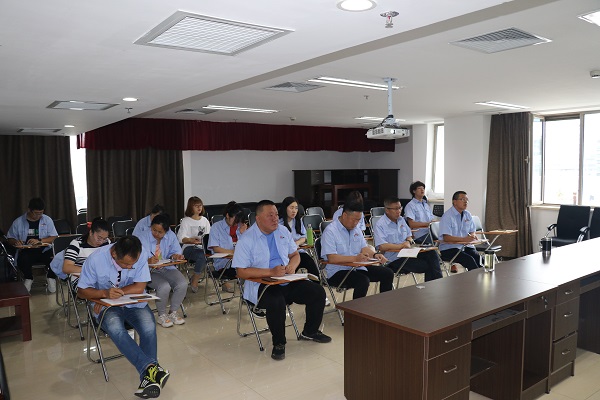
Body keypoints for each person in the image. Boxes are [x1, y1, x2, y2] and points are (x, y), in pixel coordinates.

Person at [233, 200, 331, 361]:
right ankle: (279, 343)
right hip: (261, 285)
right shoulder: (247, 239)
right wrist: (271, 272)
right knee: (276, 301)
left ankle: (310, 331)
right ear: (258, 218)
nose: (275, 219)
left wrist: (292, 266)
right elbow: (241, 271)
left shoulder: (283, 231)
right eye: (270, 215)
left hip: (286, 280)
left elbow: (295, 255)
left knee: (317, 292)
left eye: (276, 215)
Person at [77, 236, 170, 399]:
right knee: (116, 329)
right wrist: (103, 294)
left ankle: (148, 379)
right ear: (114, 254)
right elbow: (81, 291)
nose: (130, 267)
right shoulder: (95, 260)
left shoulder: (140, 254)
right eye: (126, 264)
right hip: (105, 305)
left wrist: (118, 293)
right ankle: (152, 368)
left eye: (133, 264)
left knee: (149, 327)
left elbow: (139, 287)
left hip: (133, 303)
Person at [321, 201, 393, 299]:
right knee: (363, 281)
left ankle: (386, 303)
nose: (356, 223)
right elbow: (332, 258)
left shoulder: (356, 229)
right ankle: (356, 308)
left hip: (357, 268)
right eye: (353, 220)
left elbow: (364, 248)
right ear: (344, 215)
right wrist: (355, 258)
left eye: (358, 220)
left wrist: (375, 255)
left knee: (387, 273)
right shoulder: (330, 231)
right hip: (338, 271)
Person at [373, 197, 443, 282]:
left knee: (431, 253)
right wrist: (400, 246)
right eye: (395, 209)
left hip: (407, 253)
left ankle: (437, 284)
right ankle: (434, 285)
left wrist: (408, 241)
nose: (399, 211)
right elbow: (382, 246)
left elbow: (409, 235)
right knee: (428, 265)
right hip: (393, 259)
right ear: (387, 210)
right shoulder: (380, 224)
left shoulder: (401, 219)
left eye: (400, 208)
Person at [135, 214, 187, 328]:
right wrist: (147, 260)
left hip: (166, 267)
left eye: (160, 232)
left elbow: (175, 252)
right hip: (148, 271)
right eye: (154, 230)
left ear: (166, 231)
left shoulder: (171, 236)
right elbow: (135, 258)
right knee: (164, 286)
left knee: (182, 283)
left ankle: (173, 312)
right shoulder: (142, 237)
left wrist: (175, 256)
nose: (156, 234)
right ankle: (162, 315)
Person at [6, 197, 58, 293]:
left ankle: (51, 277)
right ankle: (28, 278)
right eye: (36, 213)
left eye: (41, 213)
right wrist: (16, 242)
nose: (38, 216)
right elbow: (10, 238)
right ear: (29, 210)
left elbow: (54, 237)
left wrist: (40, 241)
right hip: (27, 251)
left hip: (44, 250)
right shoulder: (18, 222)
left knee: (56, 257)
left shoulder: (47, 220)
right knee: (22, 259)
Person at [207, 201, 248, 293]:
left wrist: (243, 234)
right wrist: (233, 252)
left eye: (239, 220)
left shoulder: (240, 227)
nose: (237, 223)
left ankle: (249, 292)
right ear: (227, 215)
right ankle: (246, 293)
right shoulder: (216, 227)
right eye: (235, 220)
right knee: (248, 269)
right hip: (224, 264)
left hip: (239, 262)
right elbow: (216, 248)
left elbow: (247, 247)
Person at [438, 191, 483, 272]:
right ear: (454, 202)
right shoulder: (447, 216)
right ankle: (476, 279)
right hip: (449, 248)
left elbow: (472, 230)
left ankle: (485, 278)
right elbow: (446, 238)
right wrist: (464, 239)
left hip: (465, 246)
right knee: (469, 260)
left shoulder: (467, 214)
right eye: (462, 199)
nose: (465, 202)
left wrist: (472, 235)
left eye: (467, 200)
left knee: (480, 259)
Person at [176, 196, 210, 293]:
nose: (199, 208)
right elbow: (180, 238)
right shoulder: (186, 221)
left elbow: (209, 236)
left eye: (200, 205)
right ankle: (195, 278)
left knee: (211, 254)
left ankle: (223, 281)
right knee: (202, 255)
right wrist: (190, 240)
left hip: (202, 247)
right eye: (196, 206)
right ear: (191, 207)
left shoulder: (205, 220)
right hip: (189, 248)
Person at [278, 196, 319, 277]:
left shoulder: (298, 221)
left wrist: (297, 243)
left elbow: (304, 237)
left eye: (296, 208)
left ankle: (317, 282)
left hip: (299, 252)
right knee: (290, 272)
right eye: (291, 208)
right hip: (286, 255)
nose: (294, 211)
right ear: (285, 208)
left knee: (310, 263)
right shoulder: (279, 224)